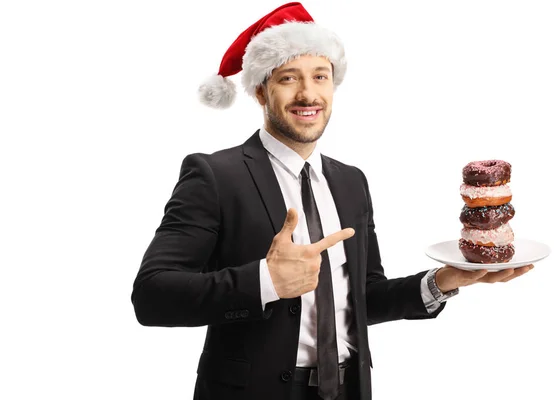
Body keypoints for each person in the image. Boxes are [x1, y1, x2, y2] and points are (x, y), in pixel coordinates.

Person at [131, 3, 533, 400]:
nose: (308, 93)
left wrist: (443, 282)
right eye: (289, 78)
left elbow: (363, 297)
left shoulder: (350, 181)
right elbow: (152, 296)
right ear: (260, 90)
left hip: (349, 389)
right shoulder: (215, 176)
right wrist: (265, 281)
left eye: (320, 76)